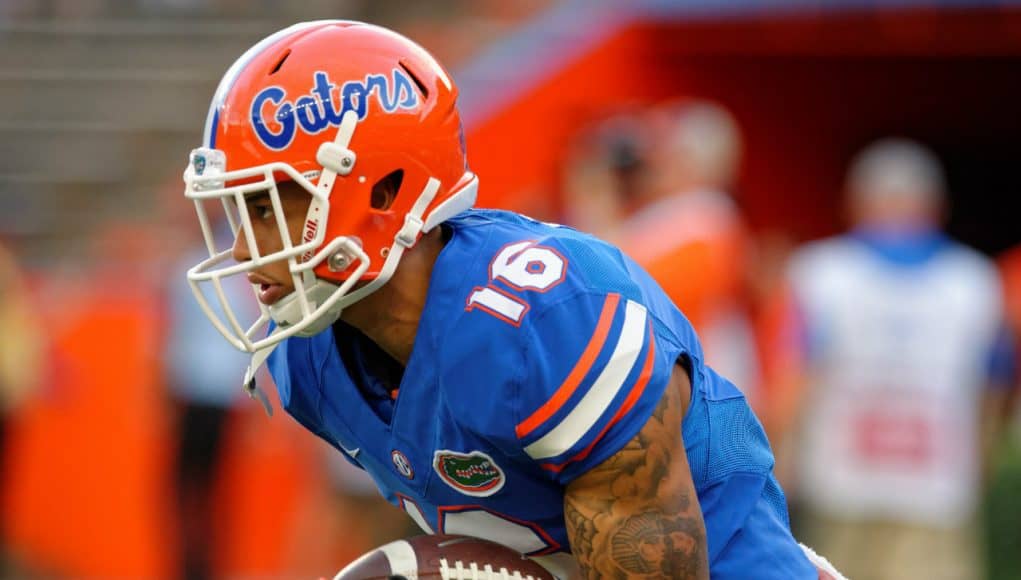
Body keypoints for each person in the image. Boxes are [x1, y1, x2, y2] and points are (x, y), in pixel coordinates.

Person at [179, 20, 836, 579]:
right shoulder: (311, 353)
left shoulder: (545, 320)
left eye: (266, 208)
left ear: (382, 193)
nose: (243, 249)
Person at [774, 138, 1012, 580]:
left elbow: (796, 376)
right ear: (937, 205)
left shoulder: (819, 272)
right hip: (937, 486)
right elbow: (994, 390)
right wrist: (978, 462)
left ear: (856, 202)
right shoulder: (976, 281)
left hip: (839, 476)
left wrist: (781, 463)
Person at [615, 101, 761, 402]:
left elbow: (623, 283)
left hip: (699, 379)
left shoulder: (708, 215)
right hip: (680, 376)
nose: (655, 162)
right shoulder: (672, 213)